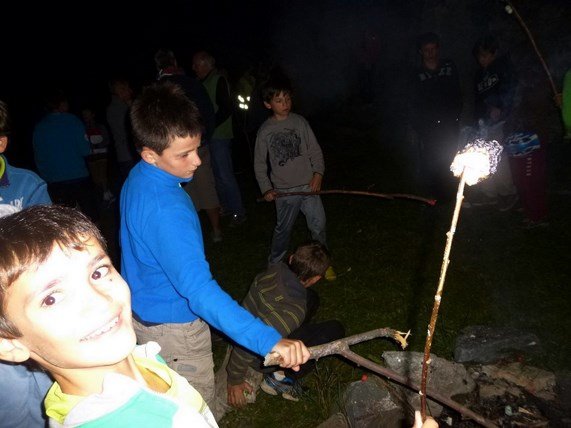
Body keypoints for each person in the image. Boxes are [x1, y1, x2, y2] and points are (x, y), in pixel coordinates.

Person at [120, 82, 310, 420]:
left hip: (142, 320)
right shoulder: (168, 209)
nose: (196, 161)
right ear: (149, 153)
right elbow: (199, 291)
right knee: (196, 413)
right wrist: (269, 340)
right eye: (183, 154)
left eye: (197, 147)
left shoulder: (138, 178)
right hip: (175, 333)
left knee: (167, 410)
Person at [0, 204, 217, 427]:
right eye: (51, 298)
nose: (100, 301)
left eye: (98, 272)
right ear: (9, 344)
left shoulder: (139, 358)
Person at [226, 241, 345, 408]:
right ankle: (280, 376)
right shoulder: (293, 311)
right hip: (261, 357)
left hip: (251, 318)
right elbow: (250, 340)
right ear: (317, 278)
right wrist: (234, 380)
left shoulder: (273, 270)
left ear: (291, 259)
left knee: (311, 298)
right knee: (335, 329)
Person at [0, 99, 53, 428]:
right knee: (14, 403)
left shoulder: (26, 185)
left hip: (34, 311)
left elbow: (51, 249)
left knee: (51, 388)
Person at [253, 76, 336, 281]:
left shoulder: (300, 122)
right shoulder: (265, 131)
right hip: (284, 191)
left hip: (308, 186)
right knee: (283, 230)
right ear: (268, 104)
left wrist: (318, 173)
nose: (285, 104)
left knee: (319, 224)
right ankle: (274, 264)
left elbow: (315, 151)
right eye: (279, 100)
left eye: (288, 99)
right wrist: (266, 188)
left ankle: (323, 264)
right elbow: (260, 164)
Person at [155, 48, 223, 243]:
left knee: (186, 191)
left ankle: (196, 235)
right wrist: (205, 137)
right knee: (205, 185)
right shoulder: (192, 83)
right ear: (174, 61)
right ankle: (215, 230)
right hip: (197, 146)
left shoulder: (158, 88)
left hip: (174, 152)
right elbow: (209, 113)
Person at [464, 35, 519, 211]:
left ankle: (508, 193)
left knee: (499, 158)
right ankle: (490, 194)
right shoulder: (479, 74)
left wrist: (500, 107)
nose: (482, 59)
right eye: (479, 56)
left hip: (500, 122)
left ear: (494, 53)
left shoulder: (503, 68)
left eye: (486, 55)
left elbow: (509, 90)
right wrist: (476, 120)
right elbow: (478, 99)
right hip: (484, 123)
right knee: (484, 156)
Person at [193, 50, 247, 226]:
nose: (193, 68)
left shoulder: (218, 79)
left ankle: (238, 212)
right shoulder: (205, 82)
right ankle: (227, 208)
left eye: (196, 64)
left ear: (205, 63)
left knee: (225, 174)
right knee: (217, 175)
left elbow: (226, 108)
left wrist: (209, 126)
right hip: (211, 136)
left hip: (220, 135)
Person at [409, 32, 462, 202]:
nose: (431, 53)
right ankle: (435, 195)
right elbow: (413, 101)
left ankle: (453, 192)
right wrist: (417, 126)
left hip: (449, 122)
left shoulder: (448, 66)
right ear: (420, 52)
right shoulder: (416, 74)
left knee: (451, 155)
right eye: (426, 50)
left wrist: (456, 114)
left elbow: (456, 91)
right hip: (429, 126)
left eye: (433, 49)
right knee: (432, 158)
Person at [33, 88, 99, 222]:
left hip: (55, 182)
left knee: (66, 222)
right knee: (90, 218)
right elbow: (85, 150)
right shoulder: (73, 121)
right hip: (78, 177)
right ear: (61, 104)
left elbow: (39, 159)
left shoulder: (40, 128)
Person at [106, 77, 137, 188]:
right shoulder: (117, 108)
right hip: (128, 154)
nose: (129, 91)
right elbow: (132, 129)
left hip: (128, 154)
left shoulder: (123, 106)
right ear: (117, 90)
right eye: (124, 88)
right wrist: (131, 106)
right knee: (134, 186)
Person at [81, 106, 115, 206]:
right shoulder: (83, 128)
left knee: (102, 174)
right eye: (84, 115)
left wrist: (97, 143)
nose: (86, 117)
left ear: (93, 114)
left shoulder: (100, 126)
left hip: (102, 153)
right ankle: (108, 194)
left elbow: (106, 140)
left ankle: (106, 196)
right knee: (96, 178)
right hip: (91, 155)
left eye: (88, 114)